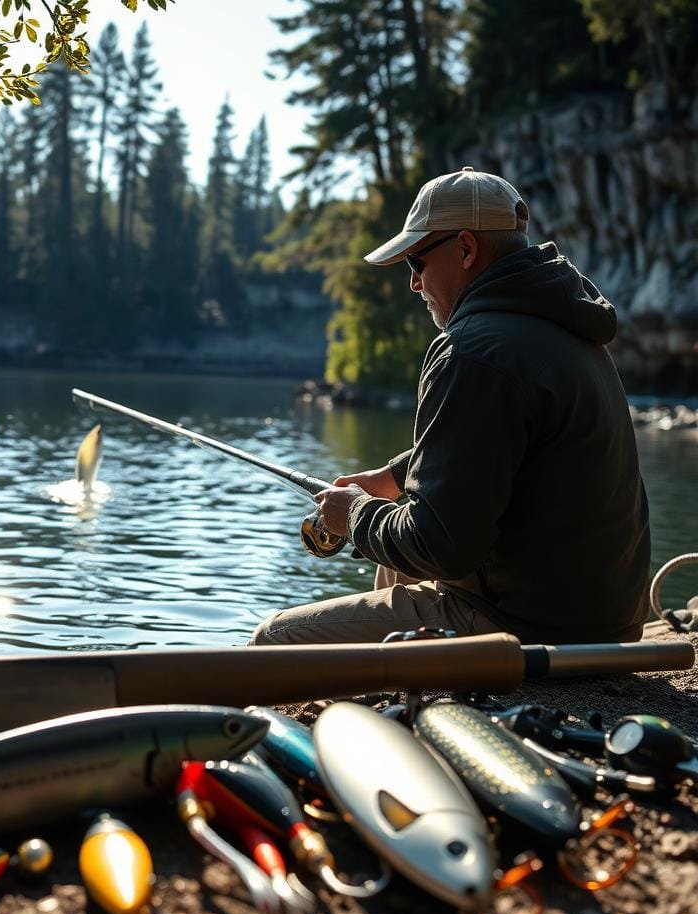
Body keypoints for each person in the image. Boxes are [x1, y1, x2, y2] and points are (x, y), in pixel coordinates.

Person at [251, 166, 651, 646]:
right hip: (607, 618)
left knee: (273, 638)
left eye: (415, 263)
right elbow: (502, 445)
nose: (415, 285)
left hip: (529, 628)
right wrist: (395, 477)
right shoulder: (565, 325)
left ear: (465, 248)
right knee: (395, 551)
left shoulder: (474, 350)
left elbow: (439, 547)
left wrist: (354, 514)